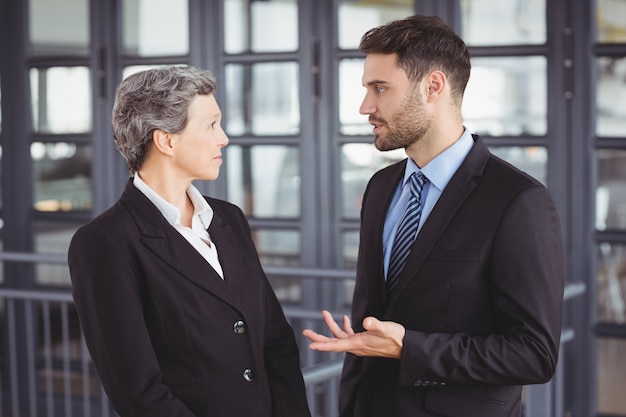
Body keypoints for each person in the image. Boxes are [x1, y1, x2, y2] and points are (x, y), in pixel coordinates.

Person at [302, 15, 564, 417]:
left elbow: (534, 355)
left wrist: (411, 347)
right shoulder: (381, 188)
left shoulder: (518, 200)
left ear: (433, 87)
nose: (364, 107)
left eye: (380, 88)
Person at [68, 65, 311, 417]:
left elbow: (275, 342)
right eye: (211, 124)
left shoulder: (229, 219)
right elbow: (139, 394)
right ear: (166, 140)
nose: (224, 137)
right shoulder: (104, 244)